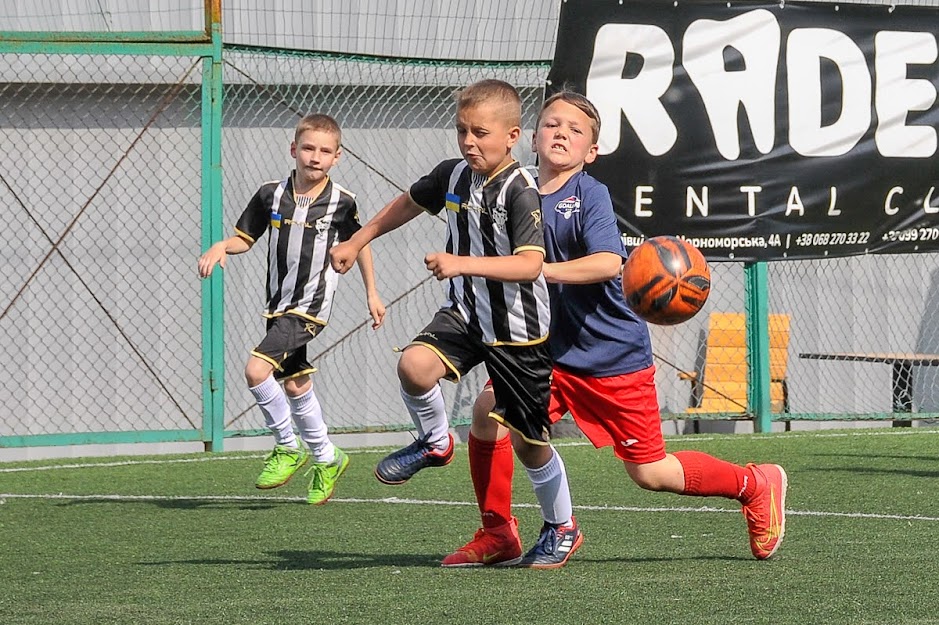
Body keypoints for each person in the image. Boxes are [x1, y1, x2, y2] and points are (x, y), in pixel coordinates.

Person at [445, 90, 787, 566]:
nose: (561, 132)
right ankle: (499, 532)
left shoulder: (590, 193)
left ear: (592, 152)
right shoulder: (511, 189)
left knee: (650, 472)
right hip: (544, 351)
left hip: (610, 356)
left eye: (575, 129)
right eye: (552, 124)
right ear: (530, 136)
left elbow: (608, 263)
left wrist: (535, 270)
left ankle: (754, 483)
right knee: (489, 415)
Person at [329, 79, 582, 569]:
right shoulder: (453, 175)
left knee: (530, 445)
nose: (469, 141)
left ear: (511, 137)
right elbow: (407, 202)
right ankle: (435, 440)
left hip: (517, 330)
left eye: (480, 133)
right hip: (466, 313)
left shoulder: (522, 190)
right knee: (415, 366)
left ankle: (561, 526)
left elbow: (530, 265)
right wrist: (358, 241)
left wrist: (460, 263)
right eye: (462, 130)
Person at [198, 113, 385, 505]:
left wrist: (372, 293)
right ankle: (327, 456)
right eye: (309, 148)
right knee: (295, 383)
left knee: (255, 369)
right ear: (294, 150)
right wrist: (221, 246)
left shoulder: (341, 202)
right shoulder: (271, 194)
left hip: (311, 306)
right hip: (278, 305)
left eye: (325, 151)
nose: (315, 157)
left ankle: (287, 445)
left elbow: (361, 242)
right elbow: (244, 239)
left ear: (337, 156)